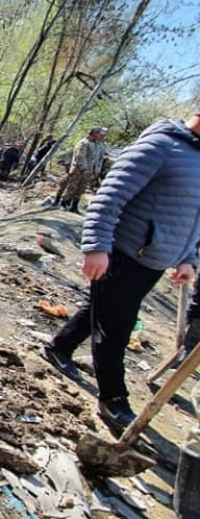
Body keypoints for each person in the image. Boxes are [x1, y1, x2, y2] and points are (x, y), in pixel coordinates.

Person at [41, 111, 200, 435]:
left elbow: (193, 218)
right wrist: (96, 247)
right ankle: (114, 400)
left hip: (152, 261)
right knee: (115, 328)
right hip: (123, 254)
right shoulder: (161, 145)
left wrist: (187, 258)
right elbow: (110, 195)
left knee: (102, 310)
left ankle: (59, 348)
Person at [53, 127, 106, 213]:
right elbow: (80, 157)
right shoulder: (83, 143)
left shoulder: (99, 146)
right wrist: (84, 169)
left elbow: (99, 160)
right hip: (78, 170)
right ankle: (64, 203)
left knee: (82, 188)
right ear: (94, 133)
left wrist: (97, 171)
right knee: (72, 187)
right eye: (101, 134)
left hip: (89, 171)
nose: (102, 136)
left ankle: (74, 205)